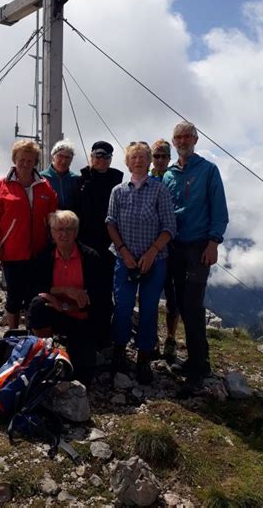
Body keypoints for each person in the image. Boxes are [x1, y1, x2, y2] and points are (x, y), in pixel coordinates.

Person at [163, 122, 229, 392]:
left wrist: (213, 242)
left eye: (187, 136)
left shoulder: (208, 170)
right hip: (175, 247)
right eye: (178, 137)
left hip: (200, 246)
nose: (182, 141)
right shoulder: (168, 174)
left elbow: (219, 209)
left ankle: (199, 365)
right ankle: (195, 360)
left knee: (192, 304)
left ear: (196, 139)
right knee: (179, 302)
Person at [106, 142, 176, 384]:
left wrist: (152, 252)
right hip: (125, 259)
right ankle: (119, 352)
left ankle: (144, 358)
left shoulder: (159, 190)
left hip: (154, 261)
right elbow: (111, 223)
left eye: (143, 157)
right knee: (122, 307)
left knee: (148, 309)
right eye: (133, 157)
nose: (138, 161)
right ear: (127, 162)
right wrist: (124, 251)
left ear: (149, 162)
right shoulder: (118, 191)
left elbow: (169, 226)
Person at [0, 139, 58, 330]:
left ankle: (31, 337)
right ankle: (12, 334)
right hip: (12, 252)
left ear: (35, 162)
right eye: (21, 160)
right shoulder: (2, 186)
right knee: (14, 297)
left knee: (34, 297)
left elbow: (52, 217)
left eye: (30, 160)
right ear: (14, 160)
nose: (26, 164)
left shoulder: (45, 186)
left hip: (39, 252)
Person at [28, 210, 103, 385]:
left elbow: (99, 299)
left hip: (81, 319)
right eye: (59, 229)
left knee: (82, 377)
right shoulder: (44, 257)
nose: (64, 234)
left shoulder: (90, 257)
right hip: (54, 315)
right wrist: (64, 291)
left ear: (76, 232)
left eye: (70, 229)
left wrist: (67, 307)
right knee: (38, 304)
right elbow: (34, 289)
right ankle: (46, 351)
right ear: (52, 232)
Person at [77, 140, 123, 348]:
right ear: (91, 157)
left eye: (105, 157)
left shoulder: (119, 181)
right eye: (98, 156)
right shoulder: (81, 180)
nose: (101, 160)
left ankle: (103, 336)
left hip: (110, 245)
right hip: (85, 244)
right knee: (86, 289)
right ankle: (85, 332)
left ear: (110, 159)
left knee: (105, 292)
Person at [150, 139, 179, 362]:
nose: (159, 160)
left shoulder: (175, 180)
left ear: (169, 158)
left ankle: (170, 338)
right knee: (150, 296)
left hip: (174, 246)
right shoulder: (145, 180)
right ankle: (151, 339)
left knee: (173, 297)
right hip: (150, 246)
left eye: (163, 156)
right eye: (156, 156)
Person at [40, 140, 80, 211]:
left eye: (67, 158)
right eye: (60, 156)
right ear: (53, 157)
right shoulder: (41, 178)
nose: (63, 161)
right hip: (47, 220)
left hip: (71, 221)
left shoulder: (76, 180)